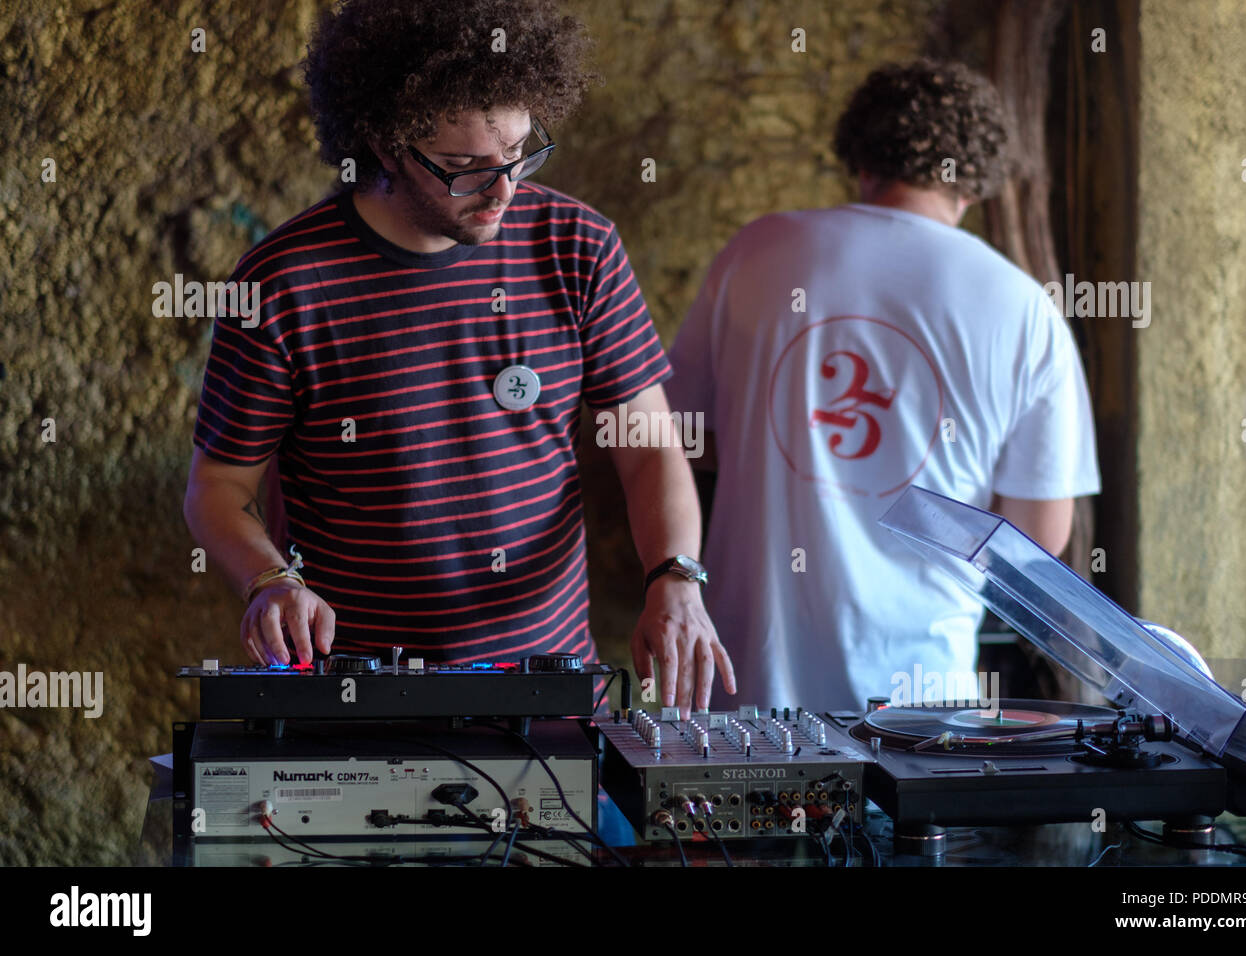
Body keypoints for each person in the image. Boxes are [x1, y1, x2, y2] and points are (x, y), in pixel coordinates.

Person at [183, 0, 734, 715]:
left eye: (518, 152)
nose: (504, 189)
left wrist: (676, 577)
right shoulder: (281, 281)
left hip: (547, 682)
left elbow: (649, 443)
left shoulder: (577, 246)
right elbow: (217, 490)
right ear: (384, 145)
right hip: (354, 690)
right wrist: (269, 582)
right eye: (464, 168)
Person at [665, 59, 1100, 709]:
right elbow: (1036, 537)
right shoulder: (1023, 306)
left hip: (741, 691)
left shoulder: (758, 251)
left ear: (859, 154)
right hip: (921, 701)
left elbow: (683, 440)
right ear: (975, 181)